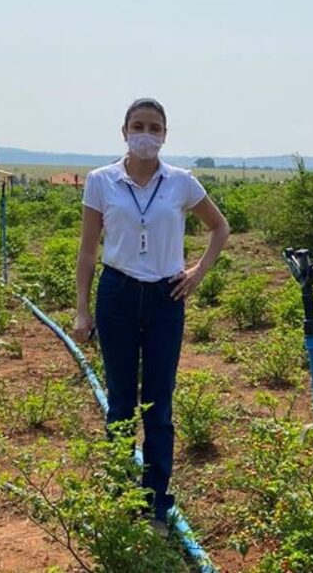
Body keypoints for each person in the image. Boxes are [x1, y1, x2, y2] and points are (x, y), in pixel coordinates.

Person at [73, 98, 230, 535]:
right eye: (138, 126)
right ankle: (121, 495)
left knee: (159, 404)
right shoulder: (101, 181)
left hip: (165, 297)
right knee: (121, 401)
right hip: (117, 294)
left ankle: (156, 503)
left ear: (165, 134)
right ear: (124, 131)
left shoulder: (181, 182)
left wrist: (197, 272)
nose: (146, 134)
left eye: (154, 127)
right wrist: (82, 309)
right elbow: (87, 251)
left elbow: (220, 227)